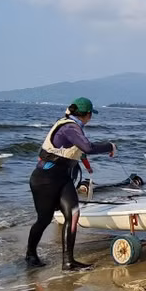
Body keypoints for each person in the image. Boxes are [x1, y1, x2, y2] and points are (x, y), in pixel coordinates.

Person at [27, 97, 116, 271]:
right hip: (44, 180)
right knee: (44, 220)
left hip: (63, 180)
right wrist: (110, 146)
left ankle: (68, 262)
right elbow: (88, 147)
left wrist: (88, 167)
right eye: (91, 115)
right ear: (87, 115)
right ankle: (30, 254)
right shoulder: (69, 127)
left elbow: (78, 152)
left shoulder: (74, 128)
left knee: (73, 215)